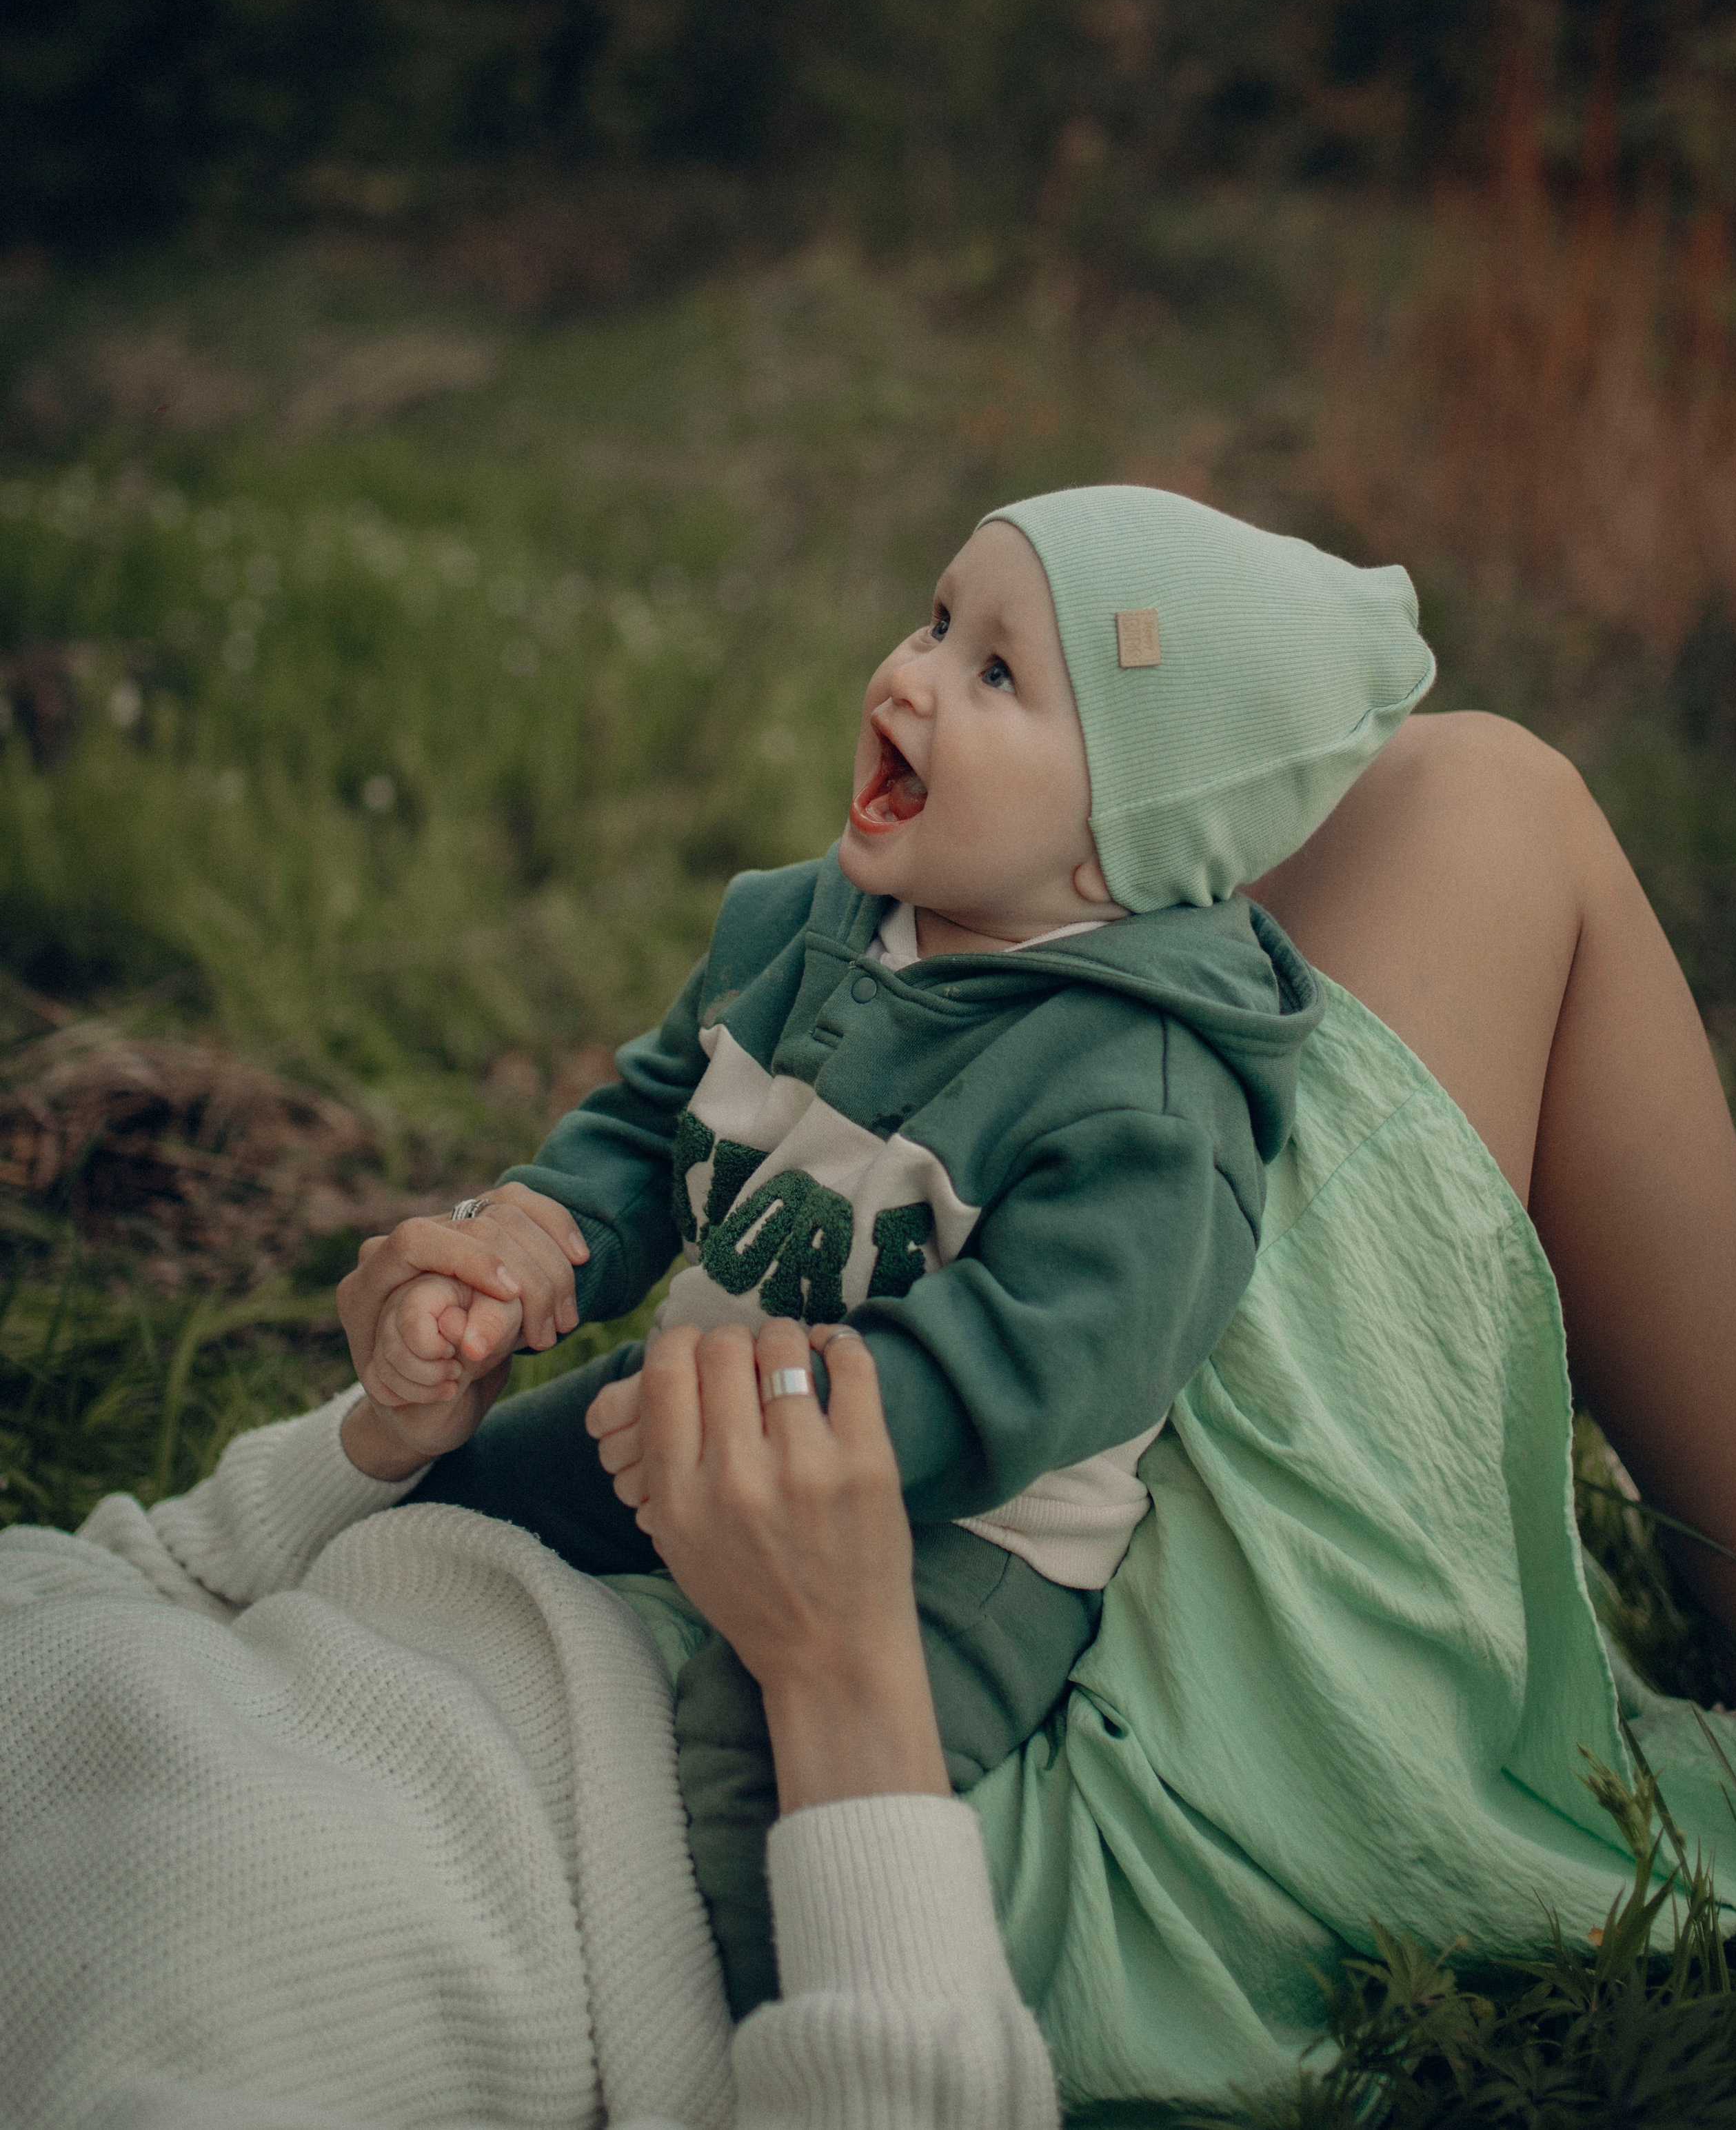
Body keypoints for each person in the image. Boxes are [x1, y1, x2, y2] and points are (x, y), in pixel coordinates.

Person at [348, 485, 1435, 2009]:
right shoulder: (802, 926)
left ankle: (739, 2035)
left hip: (951, 1537)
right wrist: (541, 1236)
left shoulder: (1143, 1093)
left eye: (994, 673)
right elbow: (659, 1112)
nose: (908, 676)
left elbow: (1038, 1366)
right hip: (698, 1421)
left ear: (1117, 841)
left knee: (753, 1766)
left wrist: (774, 1439)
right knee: (441, 1514)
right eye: (936, 620)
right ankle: (330, 1721)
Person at [0, 1316, 1062, 2130]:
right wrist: (839, 1660)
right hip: (761, 1801)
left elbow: (143, 1570)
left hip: (485, 1520)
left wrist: (381, 1436)